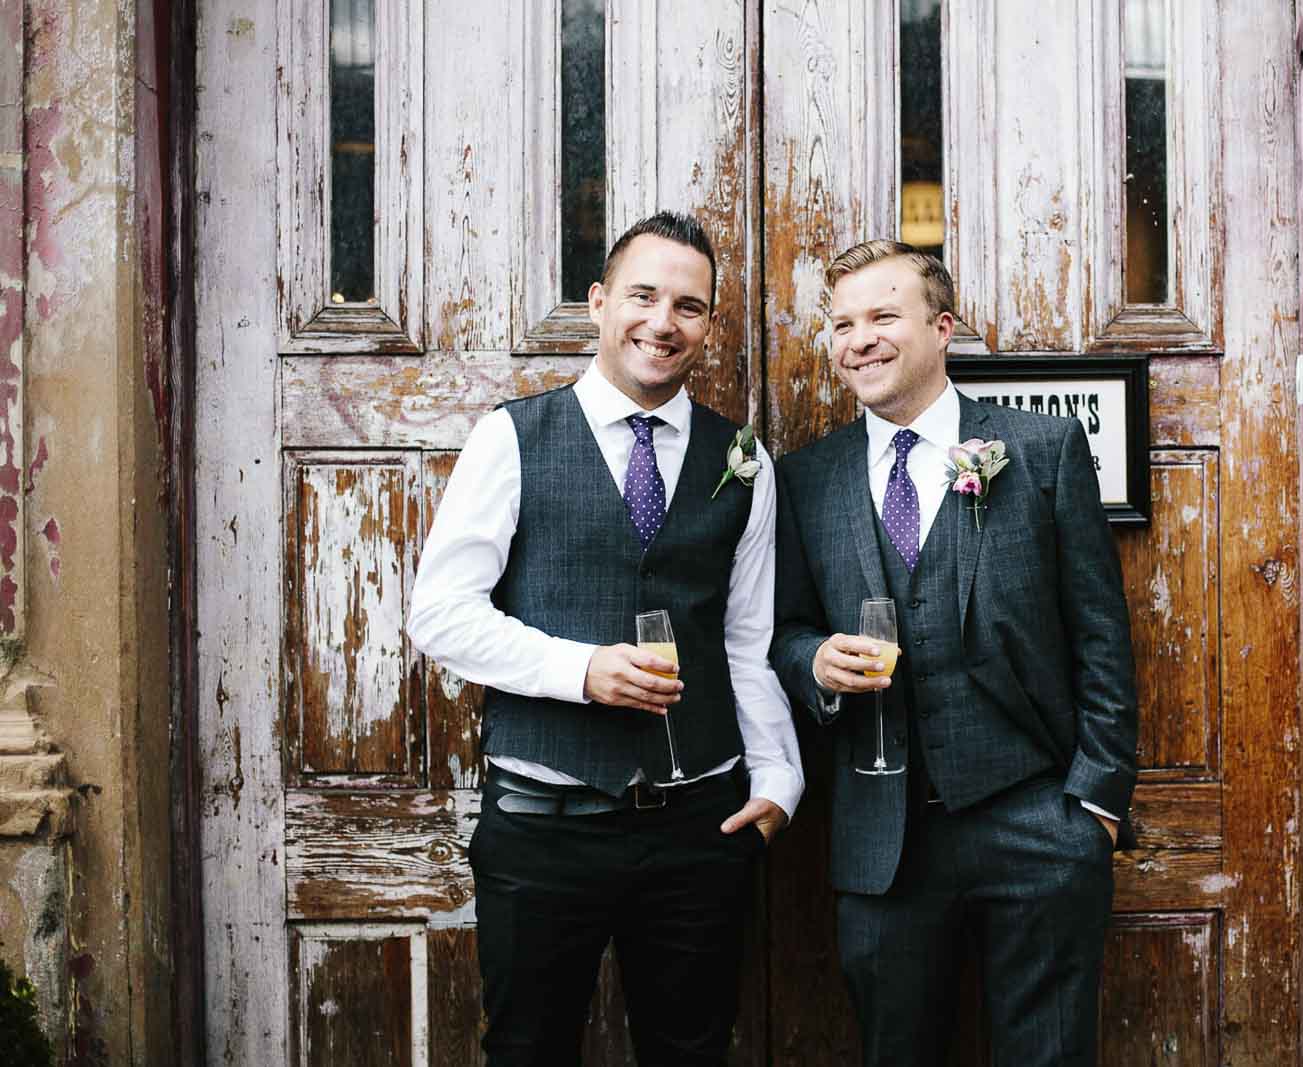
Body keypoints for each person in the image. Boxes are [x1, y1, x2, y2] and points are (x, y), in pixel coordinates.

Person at [407, 211, 802, 1067]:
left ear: (708, 324)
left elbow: (746, 639)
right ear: (598, 302)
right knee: (528, 1050)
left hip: (700, 825)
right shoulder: (513, 437)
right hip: (544, 825)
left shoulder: (744, 460)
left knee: (693, 1053)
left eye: (688, 307)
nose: (664, 322)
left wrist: (779, 778)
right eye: (643, 296)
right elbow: (439, 611)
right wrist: (579, 669)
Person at [769, 240, 1137, 1066]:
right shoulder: (806, 477)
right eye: (842, 324)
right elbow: (783, 630)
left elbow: (1101, 635)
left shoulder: (1039, 450)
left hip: (1037, 820)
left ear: (942, 329)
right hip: (881, 841)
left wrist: (1095, 807)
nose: (858, 339)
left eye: (882, 316)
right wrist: (814, 661)